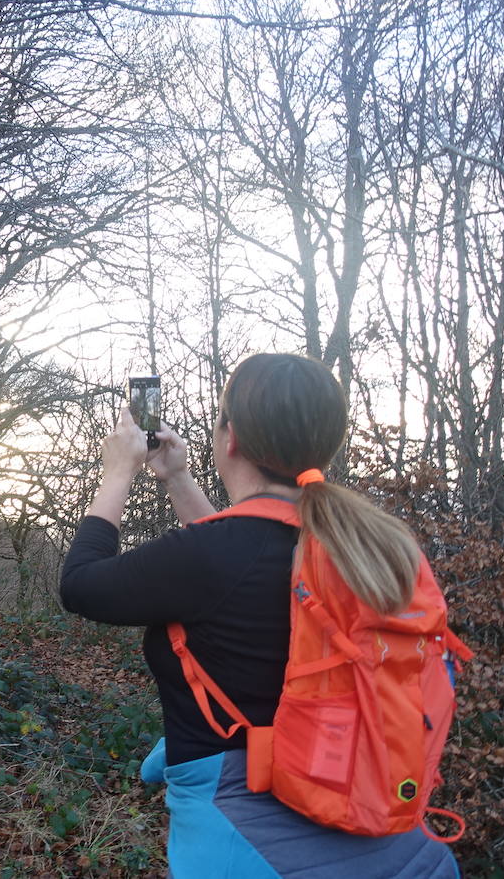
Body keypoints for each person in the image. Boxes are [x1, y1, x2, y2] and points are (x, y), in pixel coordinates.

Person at [60, 354, 460, 878]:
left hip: (252, 846)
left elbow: (80, 584)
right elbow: (237, 562)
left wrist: (118, 472)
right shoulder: (365, 544)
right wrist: (178, 480)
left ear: (231, 439)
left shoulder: (217, 555)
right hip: (397, 840)